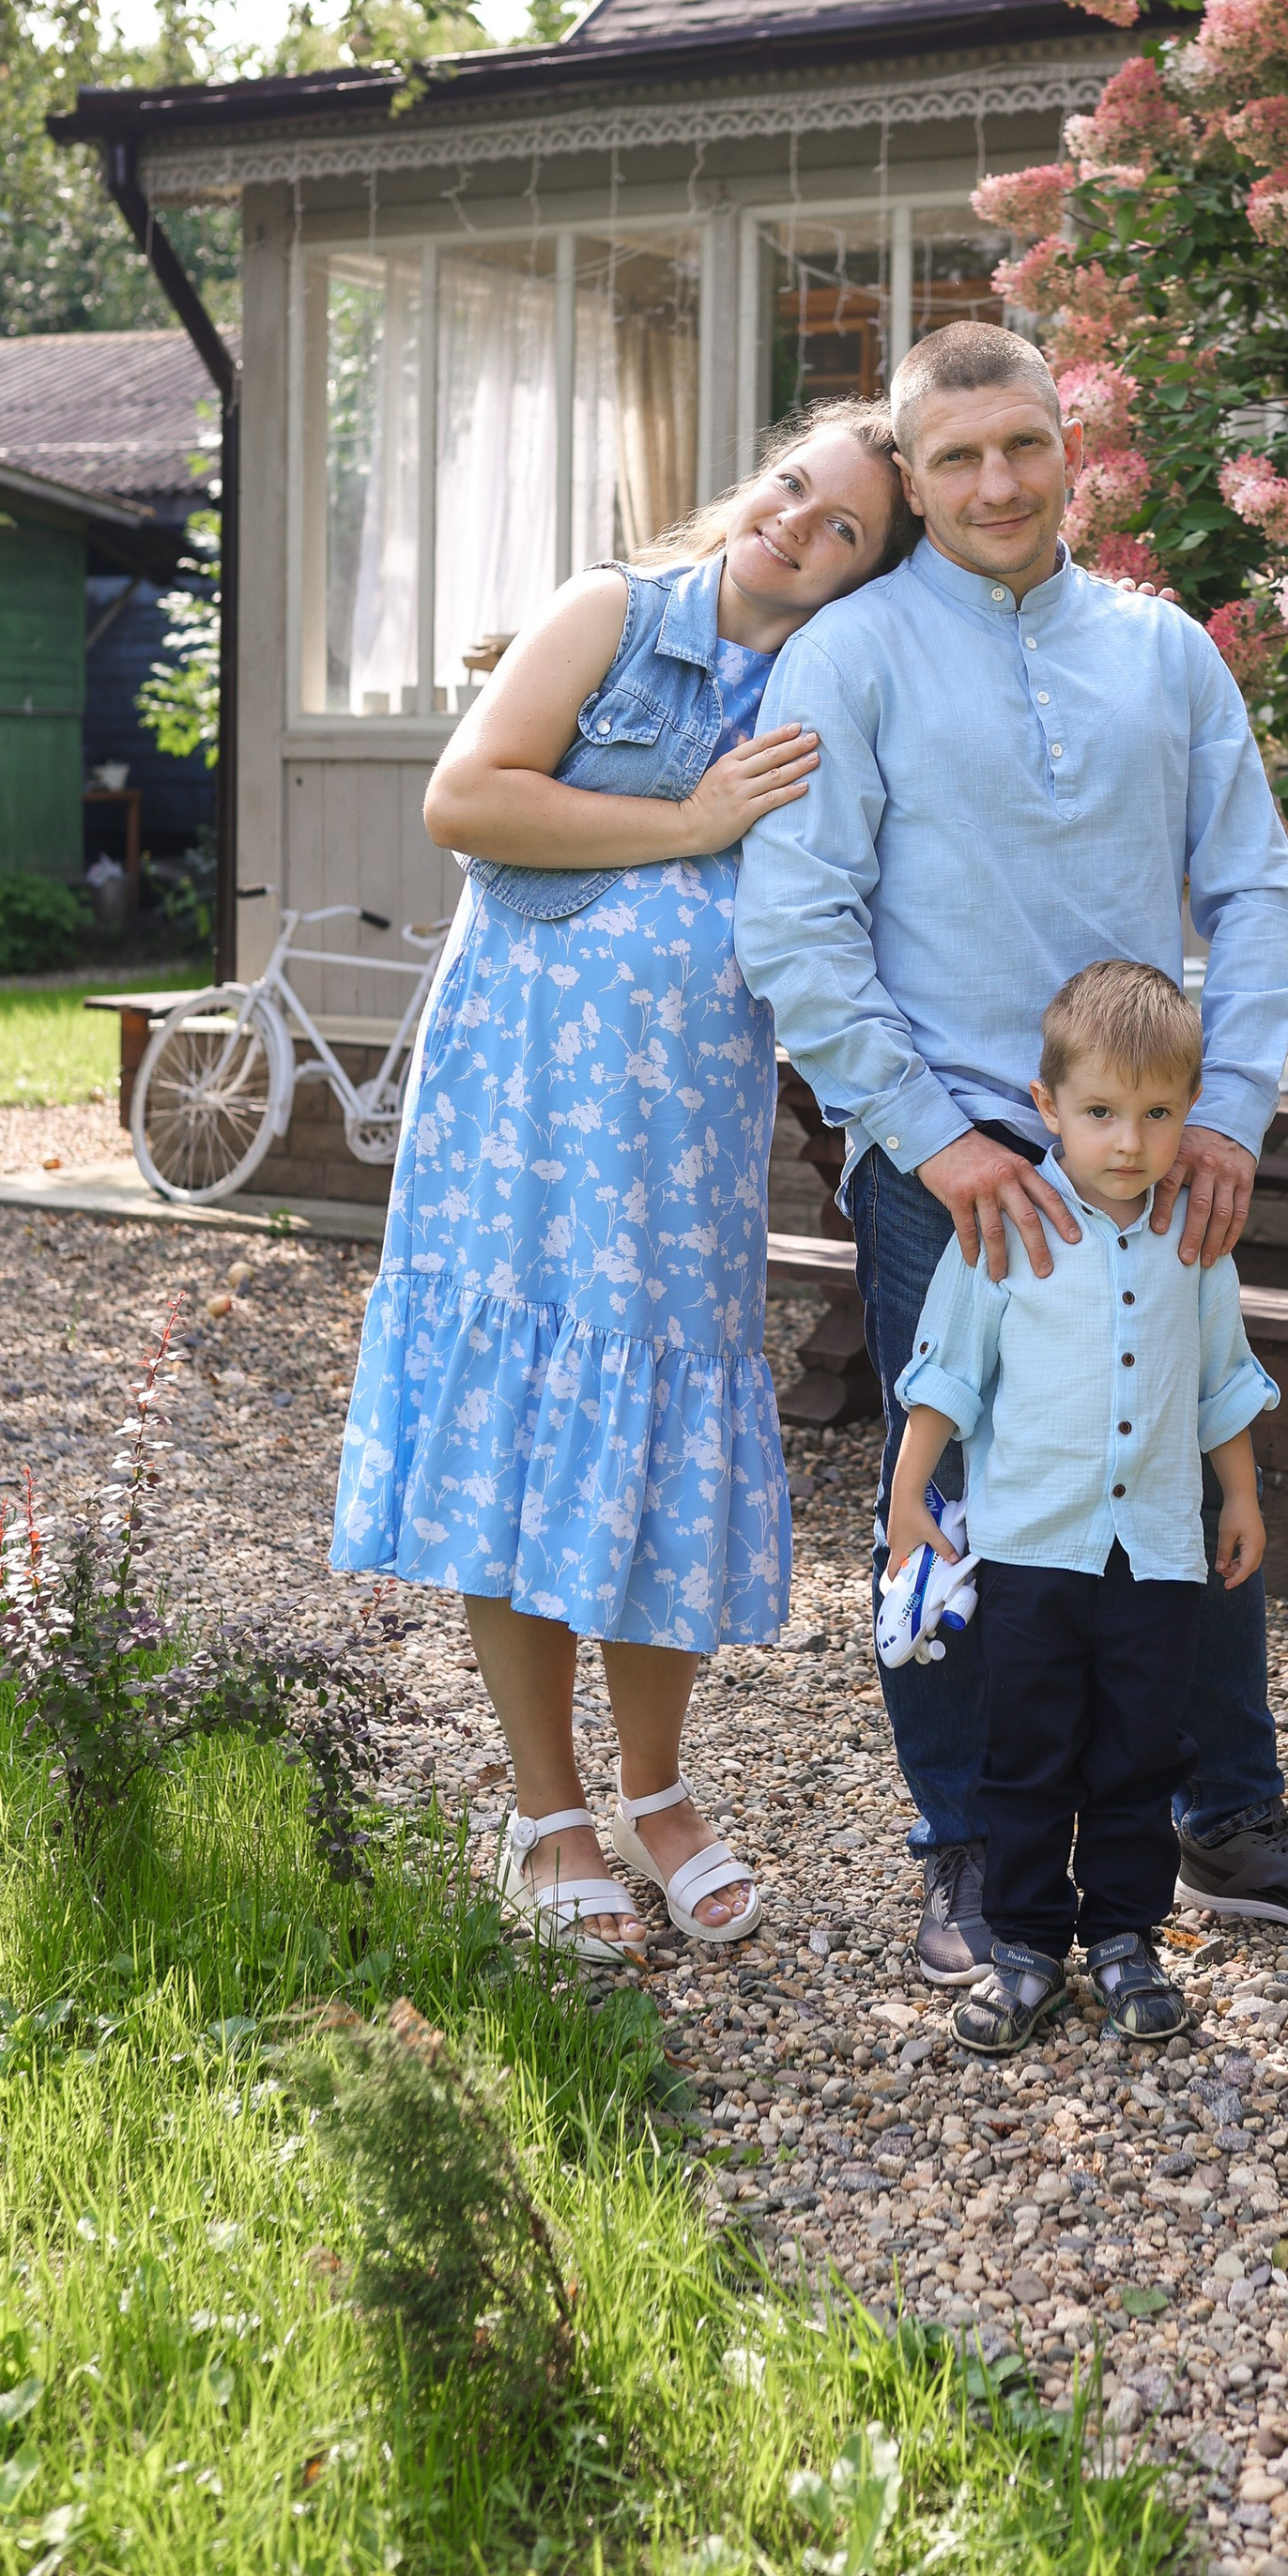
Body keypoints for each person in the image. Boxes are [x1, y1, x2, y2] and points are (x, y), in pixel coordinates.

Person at [735, 321, 1288, 1984]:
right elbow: (797, 925)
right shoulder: (852, 654)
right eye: (955, 457)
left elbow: (1252, 891)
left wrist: (1236, 1111)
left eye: (1023, 445)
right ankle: (968, 1847)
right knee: (962, 1491)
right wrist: (931, 1140)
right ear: (908, 471)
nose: (995, 483)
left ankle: (1226, 1815)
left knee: (1178, 1462)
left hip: (1153, 1152)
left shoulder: (1163, 648)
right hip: (957, 1163)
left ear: (1073, 447)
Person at [332, 405, 918, 1966]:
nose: (798, 523)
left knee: (661, 1440)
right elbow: (468, 798)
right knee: (520, 1441)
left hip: (684, 1139)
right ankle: (549, 1808)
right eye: (798, 487)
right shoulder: (614, 613)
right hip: (516, 1118)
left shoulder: (834, 694)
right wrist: (689, 820)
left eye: (844, 526)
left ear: (869, 578)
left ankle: (658, 1795)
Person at [887, 961, 1277, 2052]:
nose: (1129, 1141)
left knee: (1138, 1755)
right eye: (1102, 1113)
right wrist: (910, 1497)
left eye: (1157, 1116)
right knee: (1027, 1756)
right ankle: (1022, 1950)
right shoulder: (1006, 1227)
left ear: (1186, 1113)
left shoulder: (1190, 1241)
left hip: (1154, 1553)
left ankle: (1122, 1940)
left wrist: (1237, 1495)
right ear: (1047, 1106)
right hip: (1031, 1552)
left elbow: (1221, 1378)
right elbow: (946, 1372)